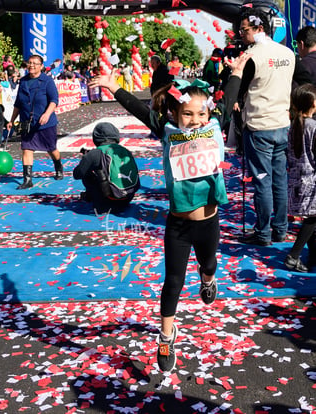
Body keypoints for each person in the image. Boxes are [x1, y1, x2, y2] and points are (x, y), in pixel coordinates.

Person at [89, 53, 251, 372]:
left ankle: (208, 280)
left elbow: (230, 96)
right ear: (175, 112)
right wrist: (113, 87)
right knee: (173, 280)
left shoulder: (215, 127)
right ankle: (166, 335)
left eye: (199, 113)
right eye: (187, 113)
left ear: (208, 113)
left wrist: (236, 73)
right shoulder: (167, 132)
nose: (194, 119)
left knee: (208, 264)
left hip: (208, 222)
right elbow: (139, 110)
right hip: (177, 225)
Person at [237, 8, 295, 246]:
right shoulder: (288, 53)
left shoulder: (251, 56)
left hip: (260, 125)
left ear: (259, 28)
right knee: (279, 180)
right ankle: (280, 229)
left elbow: (240, 89)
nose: (241, 34)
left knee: (262, 181)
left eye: (244, 30)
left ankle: (263, 232)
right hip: (282, 123)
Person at [7, 54, 62, 189]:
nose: (31, 65)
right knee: (27, 148)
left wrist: (47, 114)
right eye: (29, 63)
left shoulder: (47, 81)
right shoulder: (23, 81)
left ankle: (58, 166)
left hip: (45, 122)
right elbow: (18, 103)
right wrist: (11, 120)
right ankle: (27, 180)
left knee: (51, 148)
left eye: (35, 63)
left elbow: (54, 100)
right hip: (27, 122)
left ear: (41, 66)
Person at [73, 122, 139, 214]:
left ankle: (92, 196)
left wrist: (86, 160)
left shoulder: (95, 153)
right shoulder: (125, 151)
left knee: (88, 173)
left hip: (105, 204)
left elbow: (77, 174)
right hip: (127, 199)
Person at [284, 84, 316, 273]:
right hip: (311, 182)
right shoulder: (313, 126)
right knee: (312, 219)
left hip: (297, 180)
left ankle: (312, 254)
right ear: (313, 103)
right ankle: (294, 255)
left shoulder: (295, 125)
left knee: (312, 218)